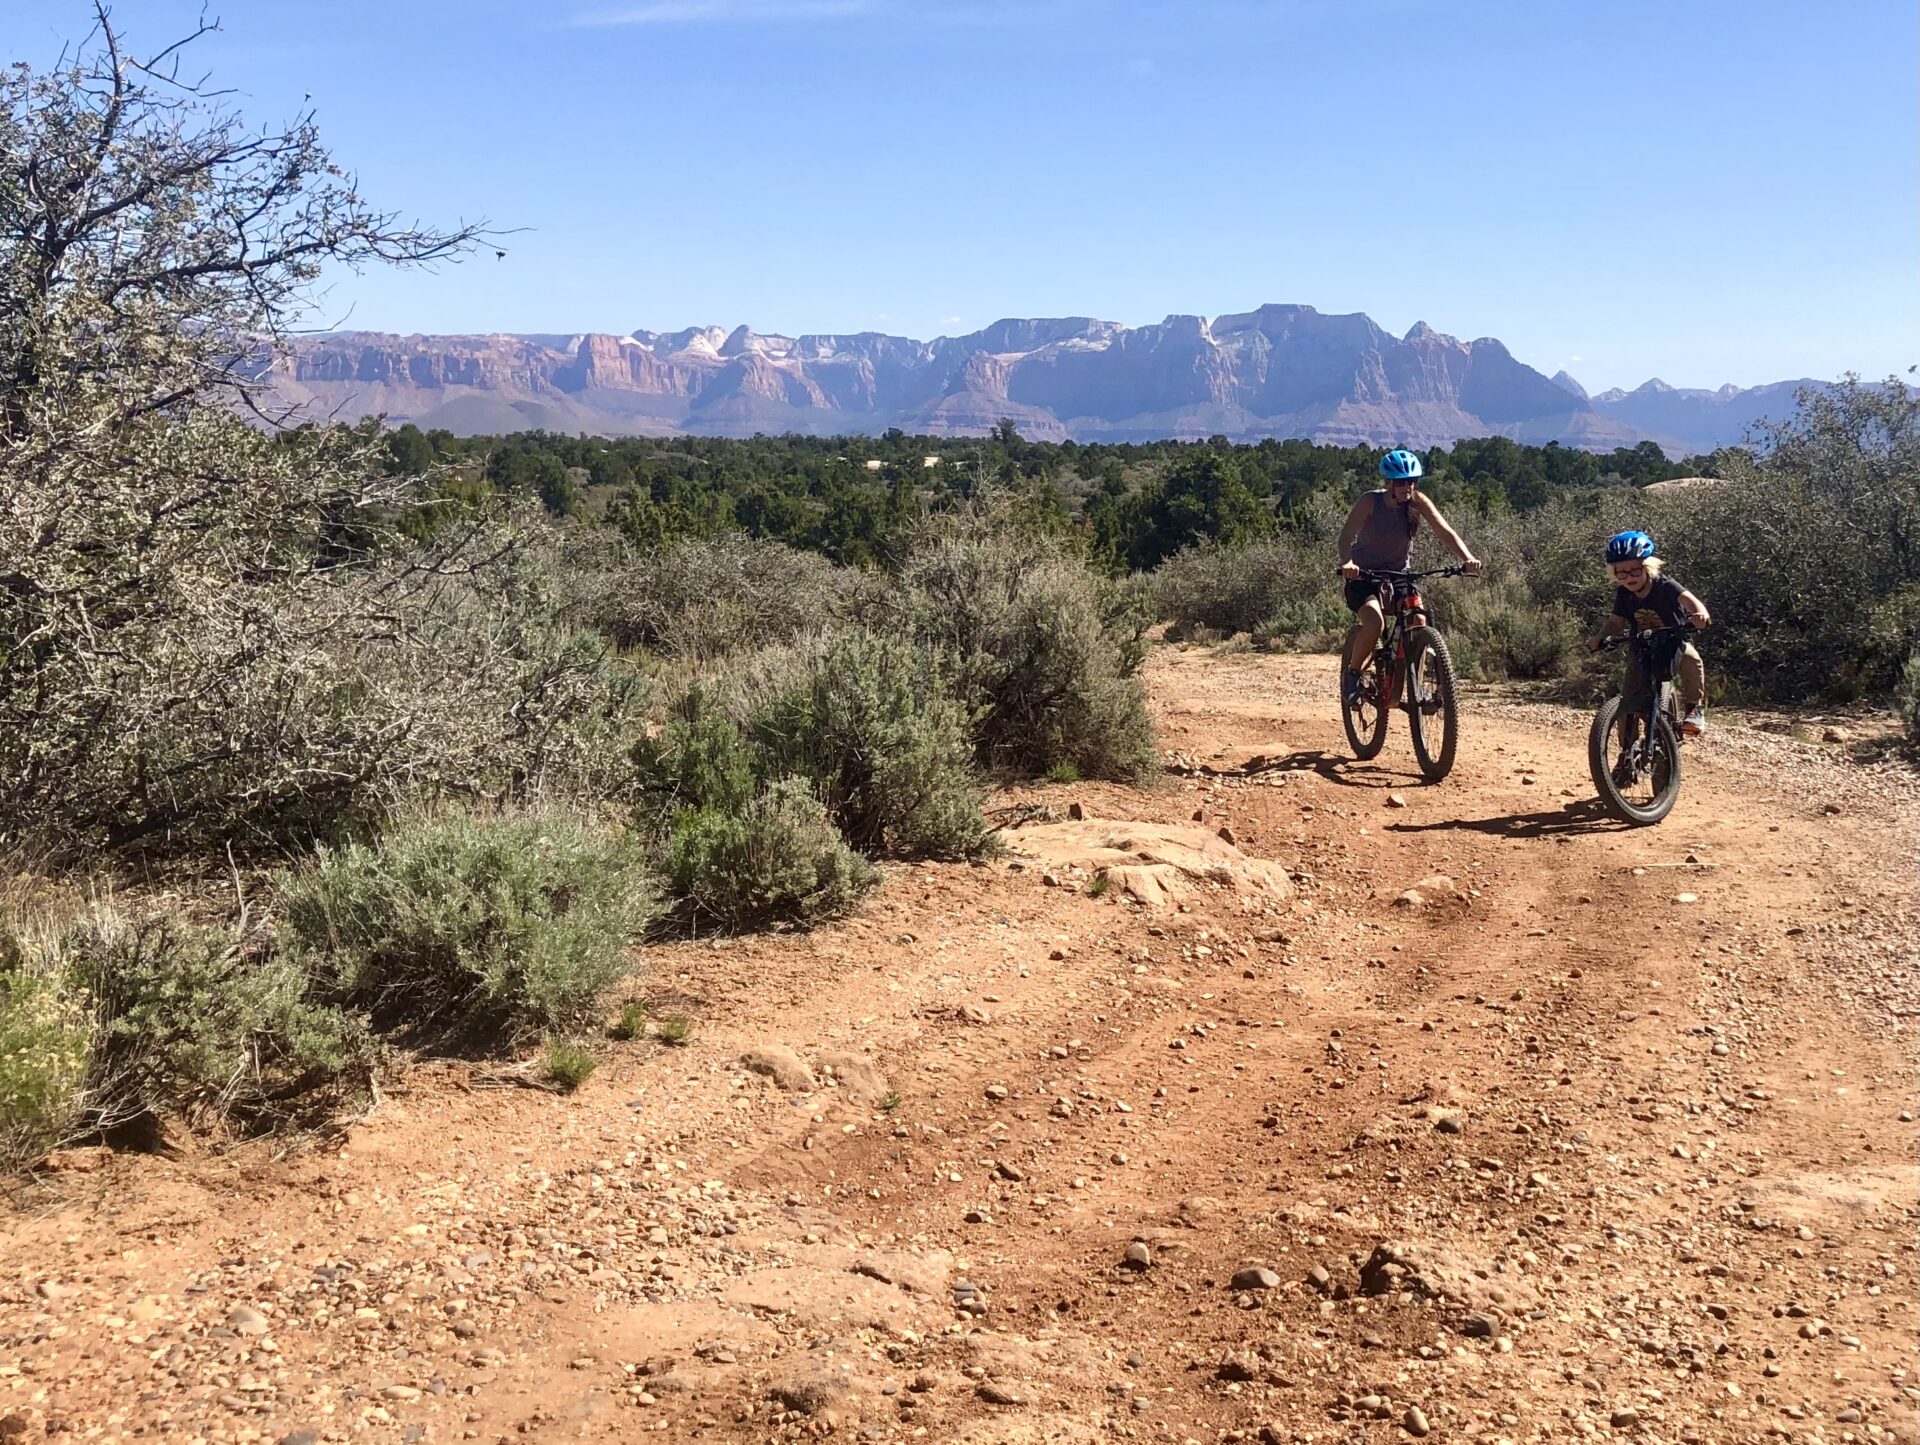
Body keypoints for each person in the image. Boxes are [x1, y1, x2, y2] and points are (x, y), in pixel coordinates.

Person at [1337, 449, 1482, 703]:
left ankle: (1416, 684)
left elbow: (1444, 532)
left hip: (1398, 575)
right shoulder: (1370, 502)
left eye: (1412, 481)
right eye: (1402, 481)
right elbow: (1346, 537)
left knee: (1419, 619)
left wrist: (1467, 558)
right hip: (1364, 576)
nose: (1408, 486)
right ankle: (1353, 673)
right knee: (1374, 623)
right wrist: (1347, 563)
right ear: (1389, 483)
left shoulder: (1418, 502)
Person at [1585, 529, 1711, 743]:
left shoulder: (1665, 585)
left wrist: (1700, 613)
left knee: (1692, 659)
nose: (1628, 578)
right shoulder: (1624, 594)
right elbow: (1616, 622)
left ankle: (1694, 709)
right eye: (1621, 573)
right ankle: (1625, 759)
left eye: (1634, 571)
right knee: (1627, 704)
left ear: (1647, 567)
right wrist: (1599, 637)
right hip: (1641, 646)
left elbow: (1689, 599)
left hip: (1673, 641)